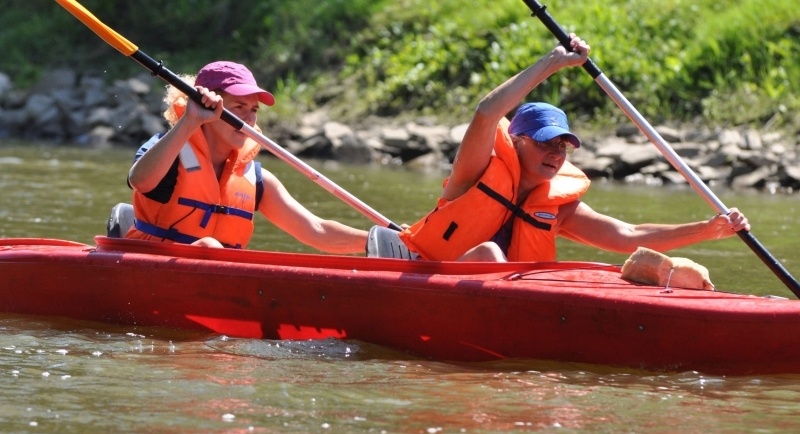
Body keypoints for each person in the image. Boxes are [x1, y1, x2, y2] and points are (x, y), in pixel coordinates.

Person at [399, 35, 750, 262]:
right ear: (517, 141)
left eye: (563, 146)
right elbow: (487, 112)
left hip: (505, 300)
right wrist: (553, 62)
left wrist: (708, 228)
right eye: (544, 143)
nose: (555, 153)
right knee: (490, 253)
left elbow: (628, 236)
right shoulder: (474, 172)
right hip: (432, 279)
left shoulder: (559, 207)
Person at [126, 61, 368, 253]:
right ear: (208, 107)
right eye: (238, 107)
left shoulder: (258, 180)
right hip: (152, 267)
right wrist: (191, 120)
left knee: (212, 248)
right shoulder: (167, 149)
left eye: (253, 110)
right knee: (208, 246)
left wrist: (380, 241)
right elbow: (140, 181)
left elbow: (317, 230)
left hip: (216, 279)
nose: (248, 120)